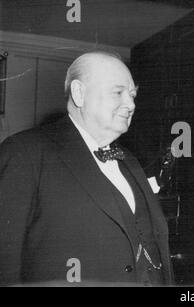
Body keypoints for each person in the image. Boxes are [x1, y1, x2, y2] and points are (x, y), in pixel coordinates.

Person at [0, 51, 173, 286]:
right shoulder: (25, 152)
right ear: (79, 94)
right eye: (118, 92)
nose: (131, 104)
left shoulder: (130, 159)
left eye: (133, 95)